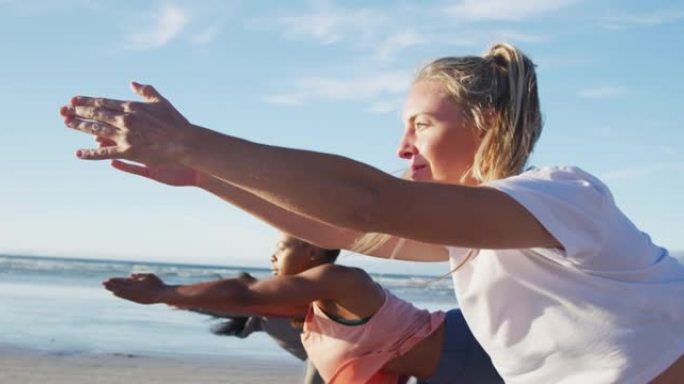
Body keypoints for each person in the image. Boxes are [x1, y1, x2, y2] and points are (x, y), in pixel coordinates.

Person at [61, 42, 684, 383]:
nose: (402, 145)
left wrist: (195, 142)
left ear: (486, 121)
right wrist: (205, 176)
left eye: (421, 124)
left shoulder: (562, 195)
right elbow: (353, 231)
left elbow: (369, 201)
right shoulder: (479, 236)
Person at [103, 233, 502, 383]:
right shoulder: (308, 308)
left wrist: (166, 291)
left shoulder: (341, 279)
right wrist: (177, 299)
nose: (272, 256)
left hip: (477, 346)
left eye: (280, 248)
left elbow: (246, 293)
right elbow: (240, 301)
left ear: (312, 250)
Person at [193, 271, 325, 384]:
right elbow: (217, 307)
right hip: (326, 359)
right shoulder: (267, 314)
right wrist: (181, 300)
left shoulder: (277, 305)